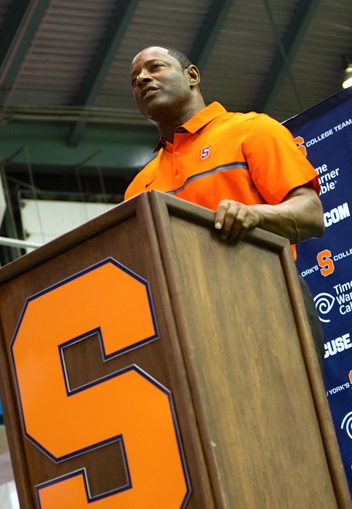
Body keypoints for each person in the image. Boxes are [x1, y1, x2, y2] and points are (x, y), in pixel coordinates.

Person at [125, 46, 326, 365]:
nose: (142, 78)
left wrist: (252, 215)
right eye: (135, 79)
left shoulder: (252, 129)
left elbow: (310, 214)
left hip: (267, 299)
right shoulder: (138, 187)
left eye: (155, 67)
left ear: (192, 76)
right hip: (186, 328)